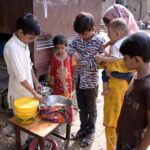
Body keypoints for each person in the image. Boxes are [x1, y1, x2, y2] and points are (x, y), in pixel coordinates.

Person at [4, 13, 44, 147]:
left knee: (30, 121)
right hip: (19, 93)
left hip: (28, 90)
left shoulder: (23, 43)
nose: (32, 40)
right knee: (22, 123)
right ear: (20, 32)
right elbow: (21, 78)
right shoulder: (12, 48)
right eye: (31, 37)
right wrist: (35, 94)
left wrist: (36, 82)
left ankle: (28, 142)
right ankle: (20, 145)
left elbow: (29, 65)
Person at [66, 11, 105, 147]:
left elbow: (101, 64)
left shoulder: (101, 42)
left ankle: (91, 132)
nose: (82, 37)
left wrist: (81, 60)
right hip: (78, 80)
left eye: (85, 34)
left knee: (92, 109)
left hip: (91, 83)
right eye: (80, 34)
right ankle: (83, 129)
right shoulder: (78, 38)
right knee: (82, 108)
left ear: (93, 29)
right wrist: (73, 53)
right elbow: (69, 48)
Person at [116, 32, 150, 150]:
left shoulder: (147, 88)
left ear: (136, 59)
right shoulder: (135, 75)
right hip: (123, 135)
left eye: (125, 58)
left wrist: (141, 148)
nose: (123, 61)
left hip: (133, 144)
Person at [95, 18, 132, 95]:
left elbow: (114, 59)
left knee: (104, 73)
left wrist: (102, 58)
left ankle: (106, 89)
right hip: (127, 69)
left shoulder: (116, 46)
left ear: (117, 34)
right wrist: (106, 45)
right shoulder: (124, 40)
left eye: (109, 33)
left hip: (117, 72)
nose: (107, 35)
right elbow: (110, 42)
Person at [47, 34, 75, 100]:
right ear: (55, 47)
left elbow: (73, 69)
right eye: (58, 48)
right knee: (58, 100)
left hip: (68, 83)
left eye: (62, 48)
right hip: (57, 83)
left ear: (66, 46)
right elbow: (52, 70)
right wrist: (51, 83)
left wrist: (73, 82)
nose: (60, 50)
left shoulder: (70, 56)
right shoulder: (54, 57)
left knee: (67, 100)